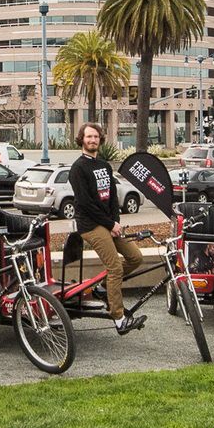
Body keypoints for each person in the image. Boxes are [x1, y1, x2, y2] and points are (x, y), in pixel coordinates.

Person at [66, 122, 145, 334]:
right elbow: (85, 203)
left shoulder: (104, 166)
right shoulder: (78, 168)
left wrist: (115, 223)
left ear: (101, 139)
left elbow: (111, 198)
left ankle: (102, 287)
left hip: (108, 223)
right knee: (115, 268)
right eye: (88, 136)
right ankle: (119, 318)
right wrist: (109, 224)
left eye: (96, 137)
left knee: (136, 257)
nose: (92, 140)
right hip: (90, 225)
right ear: (82, 139)